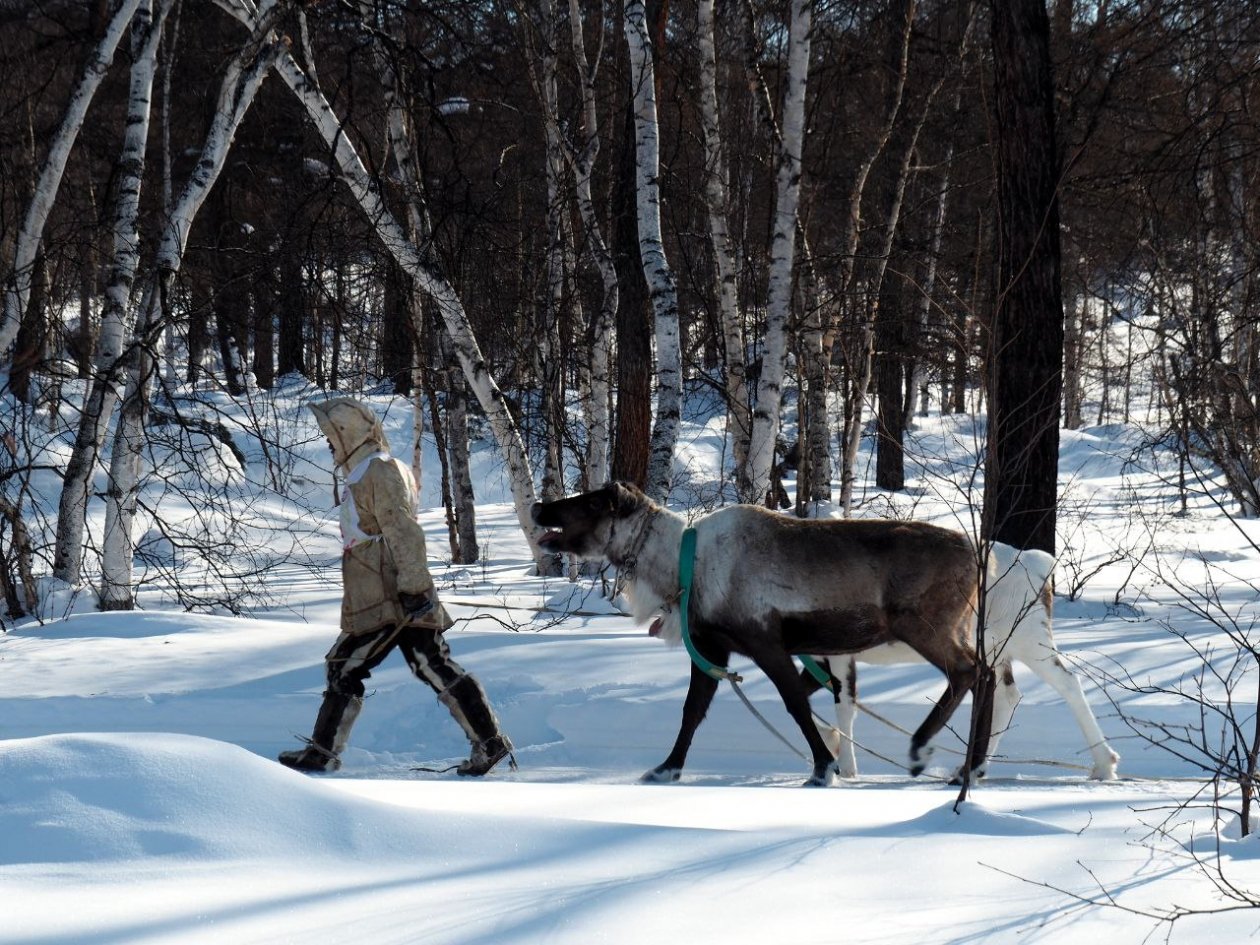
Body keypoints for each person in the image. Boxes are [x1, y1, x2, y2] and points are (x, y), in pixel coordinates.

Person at [279, 396, 514, 776]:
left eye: (331, 434)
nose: (328, 443)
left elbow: (403, 530)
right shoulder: (370, 469)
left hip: (389, 594)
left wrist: (415, 587)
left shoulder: (377, 470)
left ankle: (323, 753)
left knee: (344, 664)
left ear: (348, 432)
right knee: (430, 663)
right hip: (390, 588)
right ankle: (489, 743)